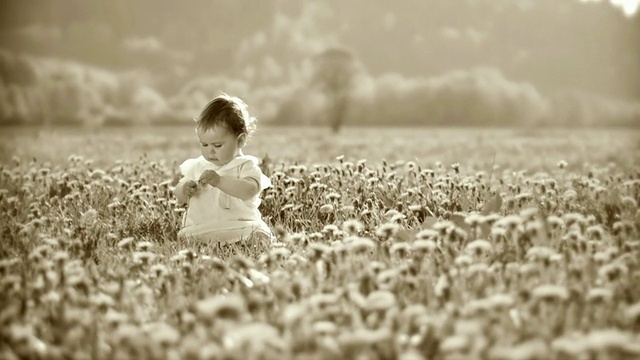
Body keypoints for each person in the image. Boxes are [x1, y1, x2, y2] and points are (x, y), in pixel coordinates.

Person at [174, 93, 274, 246]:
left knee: (259, 234)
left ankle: (245, 242)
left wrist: (219, 181)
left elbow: (249, 190)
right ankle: (201, 243)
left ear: (240, 140)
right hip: (201, 229)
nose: (210, 151)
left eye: (217, 145)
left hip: (240, 226)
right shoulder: (198, 165)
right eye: (204, 145)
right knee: (187, 238)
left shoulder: (245, 165)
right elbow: (179, 196)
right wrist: (184, 189)